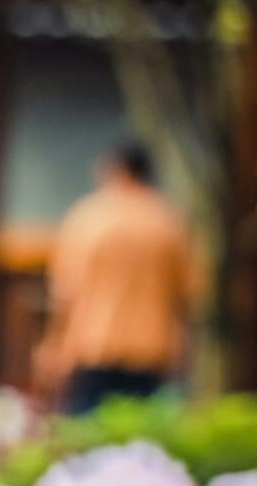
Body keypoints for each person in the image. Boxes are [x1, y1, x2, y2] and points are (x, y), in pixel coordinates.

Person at [36, 142, 200, 415]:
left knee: (86, 437)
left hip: (93, 344)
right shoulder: (169, 221)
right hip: (153, 347)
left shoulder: (89, 218)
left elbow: (64, 292)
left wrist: (53, 345)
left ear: (116, 170)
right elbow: (189, 293)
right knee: (143, 440)